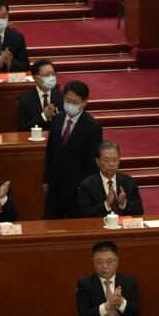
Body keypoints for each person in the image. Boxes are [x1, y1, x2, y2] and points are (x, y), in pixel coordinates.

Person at [43, 80, 103, 219]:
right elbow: (50, 152)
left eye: (74, 102)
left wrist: (86, 189)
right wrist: (46, 179)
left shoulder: (92, 127)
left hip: (77, 189)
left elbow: (92, 162)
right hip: (55, 186)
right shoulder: (57, 119)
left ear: (84, 102)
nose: (70, 105)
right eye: (67, 100)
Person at [76, 241, 141, 316]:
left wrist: (121, 302)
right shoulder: (84, 285)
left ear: (117, 261)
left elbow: (135, 315)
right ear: (93, 263)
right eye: (99, 262)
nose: (104, 266)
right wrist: (107, 305)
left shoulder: (129, 282)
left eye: (109, 261)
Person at [79, 140, 144, 218]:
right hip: (100, 228)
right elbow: (85, 215)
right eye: (106, 160)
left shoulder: (129, 182)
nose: (111, 164)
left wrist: (124, 203)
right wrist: (106, 204)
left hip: (124, 228)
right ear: (98, 162)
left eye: (115, 159)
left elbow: (139, 211)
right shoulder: (87, 185)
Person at [18, 58, 63, 131]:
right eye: (47, 75)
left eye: (53, 74)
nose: (51, 78)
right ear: (35, 78)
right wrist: (44, 116)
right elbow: (23, 128)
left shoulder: (60, 95)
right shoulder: (25, 99)